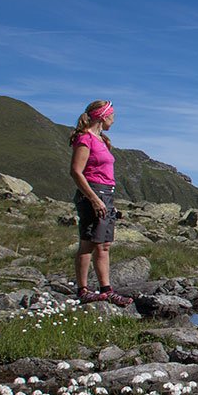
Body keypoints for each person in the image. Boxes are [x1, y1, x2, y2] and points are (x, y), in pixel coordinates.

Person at [70, 100, 133, 306]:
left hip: (106, 193)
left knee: (104, 244)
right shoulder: (85, 139)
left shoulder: (101, 140)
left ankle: (106, 290)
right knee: (88, 243)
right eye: (112, 116)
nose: (113, 120)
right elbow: (76, 172)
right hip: (93, 193)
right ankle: (83, 290)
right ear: (102, 116)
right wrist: (94, 199)